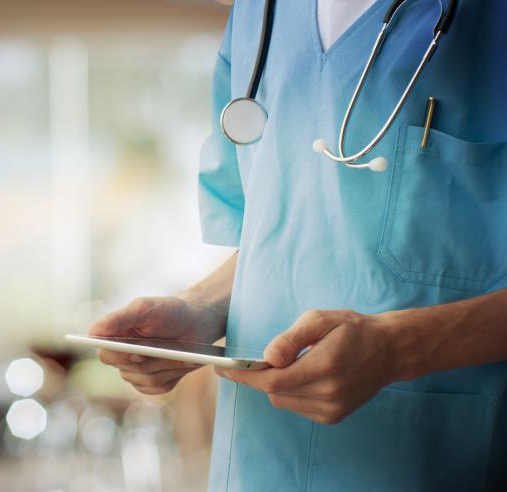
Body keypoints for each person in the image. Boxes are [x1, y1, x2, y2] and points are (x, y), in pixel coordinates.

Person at [91, 0, 507, 490]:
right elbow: (283, 231)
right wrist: (199, 310)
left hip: (439, 463)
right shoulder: (257, 15)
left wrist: (399, 348)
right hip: (258, 465)